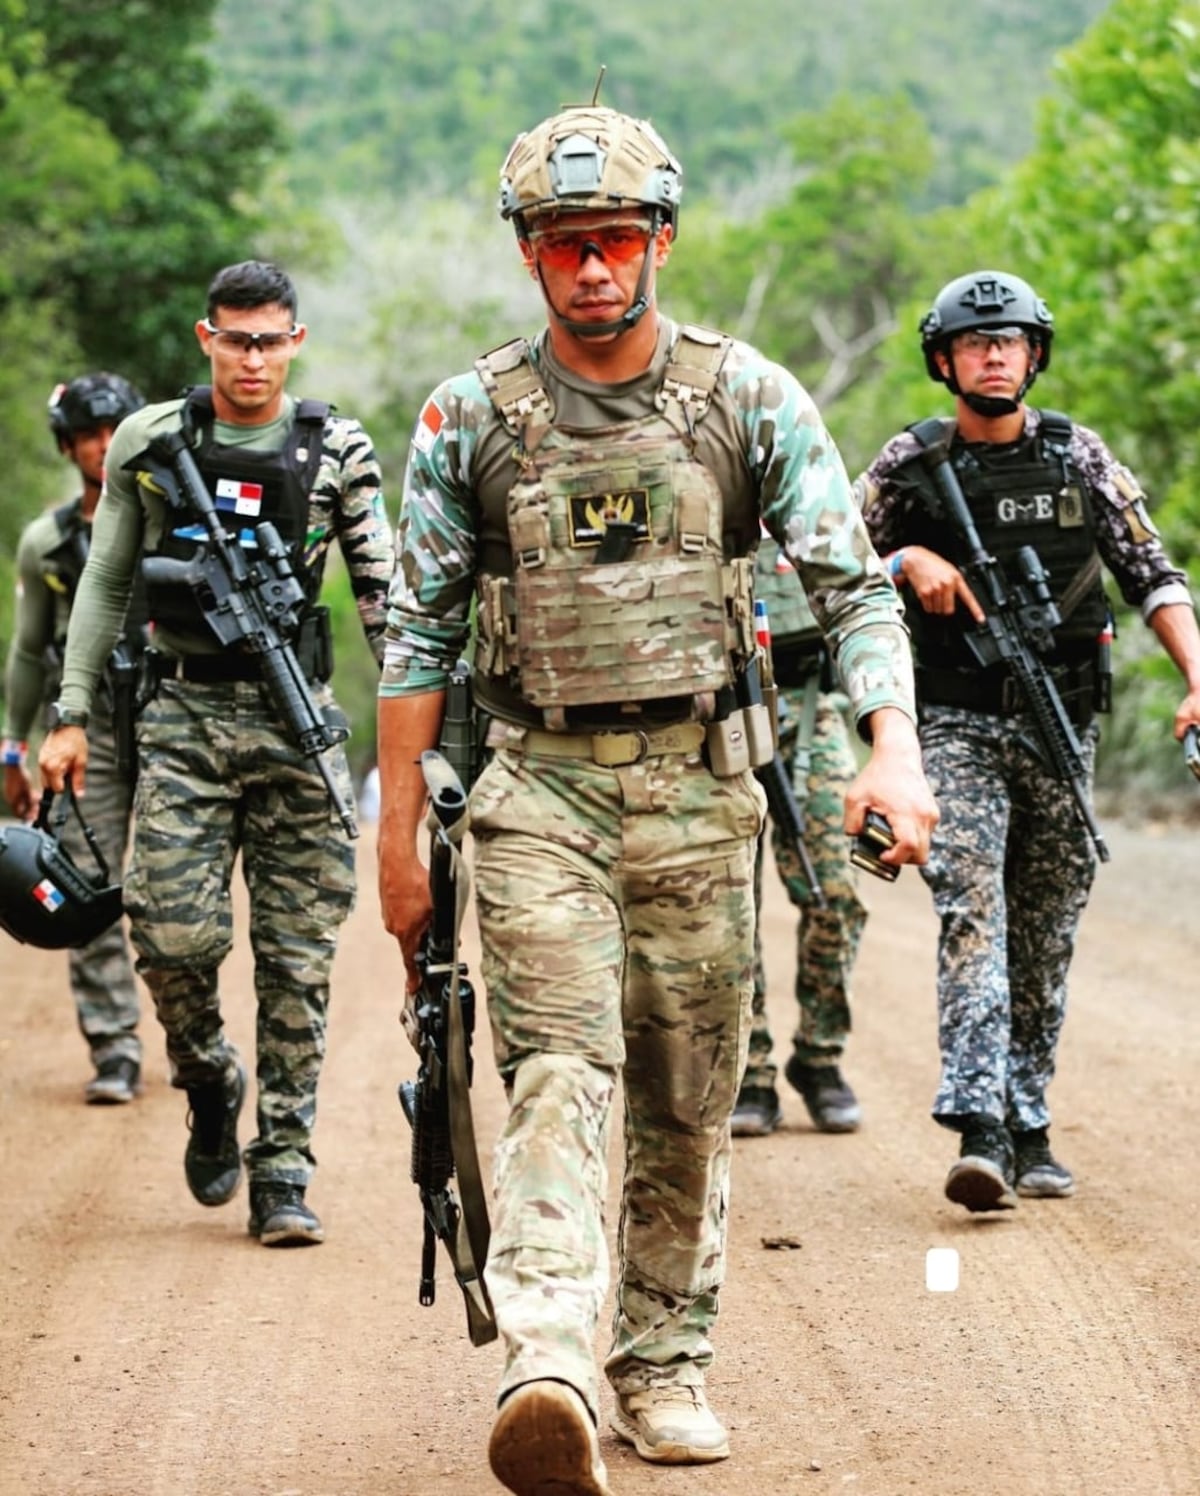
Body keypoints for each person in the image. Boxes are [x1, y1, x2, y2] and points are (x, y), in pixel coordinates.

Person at [376, 102, 938, 1496]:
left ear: (659, 242)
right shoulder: (471, 418)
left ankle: (663, 1359)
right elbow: (417, 640)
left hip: (702, 785)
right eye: (564, 245)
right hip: (540, 789)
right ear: (530, 256)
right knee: (560, 1068)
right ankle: (550, 1355)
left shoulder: (744, 396)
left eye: (614, 240)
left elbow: (853, 585)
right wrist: (395, 835)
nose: (590, 268)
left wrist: (892, 745)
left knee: (687, 1091)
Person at [38, 260, 394, 1247]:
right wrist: (69, 712)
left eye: (269, 339)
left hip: (295, 723)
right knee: (171, 933)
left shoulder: (339, 449)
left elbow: (383, 602)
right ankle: (205, 1072)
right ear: (207, 339)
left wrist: (415, 741)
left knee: (297, 956)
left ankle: (282, 1166)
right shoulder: (153, 440)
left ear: (296, 341)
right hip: (183, 720)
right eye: (234, 338)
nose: (251, 357)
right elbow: (108, 577)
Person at [858, 268, 1200, 1214]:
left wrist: (1197, 673)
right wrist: (902, 558)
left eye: (1010, 341)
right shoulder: (907, 463)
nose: (995, 354)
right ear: (945, 360)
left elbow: (1152, 573)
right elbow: (829, 561)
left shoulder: (1078, 457)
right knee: (973, 907)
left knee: (1047, 923)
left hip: (1061, 724)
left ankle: (1028, 1112)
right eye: (976, 343)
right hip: (955, 722)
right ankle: (980, 1127)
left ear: (1035, 355)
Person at [3, 373, 147, 1104]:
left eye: (113, 430)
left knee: (170, 889)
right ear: (67, 445)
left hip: (166, 716)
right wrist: (12, 747)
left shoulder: (166, 518)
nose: (101, 446)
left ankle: (193, 1039)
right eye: (88, 434)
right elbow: (29, 653)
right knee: (76, 885)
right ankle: (114, 1046)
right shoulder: (48, 544)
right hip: (82, 730)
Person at [731, 537, 868, 1137]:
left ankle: (819, 1057)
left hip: (810, 705)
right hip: (717, 714)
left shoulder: (808, 498)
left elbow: (869, 579)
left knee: (835, 891)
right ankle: (749, 1069)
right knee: (730, 907)